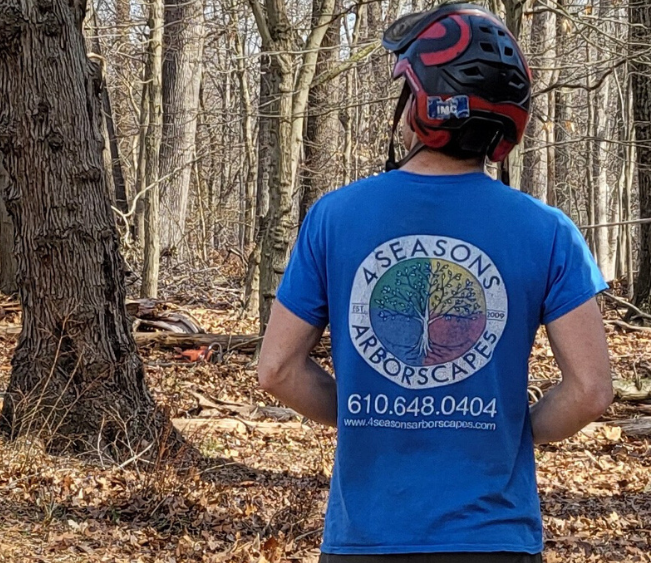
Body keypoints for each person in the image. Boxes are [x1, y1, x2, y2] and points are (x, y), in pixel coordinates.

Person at [258, 3, 613, 562]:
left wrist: (361, 411)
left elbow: (276, 370)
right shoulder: (548, 232)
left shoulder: (334, 217)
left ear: (418, 107)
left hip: (366, 541)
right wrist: (513, 431)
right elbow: (591, 391)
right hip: (495, 538)